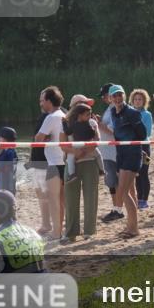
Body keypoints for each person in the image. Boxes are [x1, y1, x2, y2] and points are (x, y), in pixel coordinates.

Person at [108, 84, 146, 238]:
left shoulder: (131, 112)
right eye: (114, 96)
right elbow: (117, 134)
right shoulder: (113, 112)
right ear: (110, 98)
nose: (117, 98)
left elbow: (142, 135)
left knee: (122, 191)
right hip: (121, 154)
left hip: (132, 154)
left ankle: (133, 228)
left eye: (120, 95)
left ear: (124, 96)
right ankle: (131, 226)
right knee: (124, 191)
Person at [59, 102, 100, 243]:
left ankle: (89, 231)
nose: (88, 113)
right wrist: (74, 152)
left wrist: (84, 152)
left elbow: (97, 141)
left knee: (91, 197)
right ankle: (71, 232)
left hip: (90, 162)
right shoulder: (65, 124)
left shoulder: (92, 122)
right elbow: (62, 144)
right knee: (70, 199)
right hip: (72, 163)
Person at [33, 88, 66, 240]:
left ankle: (56, 232)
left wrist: (44, 138)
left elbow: (38, 139)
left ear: (48, 101)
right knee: (61, 199)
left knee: (53, 199)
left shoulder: (51, 117)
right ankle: (60, 231)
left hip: (54, 162)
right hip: (64, 160)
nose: (41, 103)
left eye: (42, 100)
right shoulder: (63, 115)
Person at [96, 84, 124, 225]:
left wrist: (99, 124)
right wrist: (101, 122)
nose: (103, 99)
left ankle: (117, 210)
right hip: (108, 152)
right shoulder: (110, 109)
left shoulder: (116, 109)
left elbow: (113, 131)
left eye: (104, 96)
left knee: (116, 182)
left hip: (113, 152)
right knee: (112, 183)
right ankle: (116, 208)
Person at [129, 89, 153, 210]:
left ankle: (145, 200)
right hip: (133, 147)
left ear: (144, 101)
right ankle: (138, 199)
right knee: (136, 174)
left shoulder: (147, 114)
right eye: (135, 99)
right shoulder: (129, 113)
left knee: (144, 172)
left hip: (144, 146)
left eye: (140, 99)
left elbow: (148, 132)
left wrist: (135, 131)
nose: (137, 101)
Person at [0, 127, 18, 195]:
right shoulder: (13, 152)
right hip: (11, 185)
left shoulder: (5, 153)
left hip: (3, 186)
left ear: (4, 139)